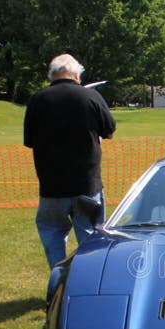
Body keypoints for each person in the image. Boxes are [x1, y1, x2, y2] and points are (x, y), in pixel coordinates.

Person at [23, 54, 116, 269]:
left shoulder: (38, 99)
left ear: (52, 75)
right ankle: (89, 282)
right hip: (87, 185)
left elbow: (30, 141)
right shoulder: (90, 97)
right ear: (77, 74)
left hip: (51, 186)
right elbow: (110, 131)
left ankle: (59, 281)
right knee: (91, 237)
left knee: (52, 232)